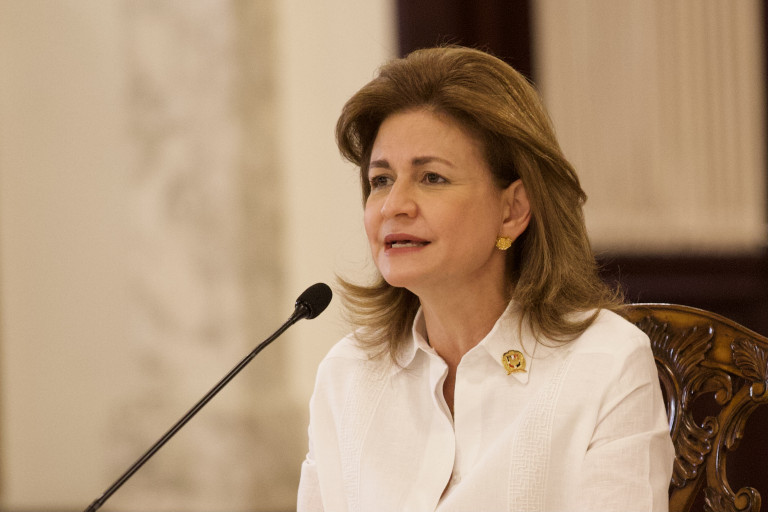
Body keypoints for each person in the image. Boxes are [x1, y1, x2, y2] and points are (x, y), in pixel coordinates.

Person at [297, 46, 674, 512]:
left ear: (513, 209)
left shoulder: (605, 364)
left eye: (432, 178)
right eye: (381, 180)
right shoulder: (347, 374)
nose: (394, 206)